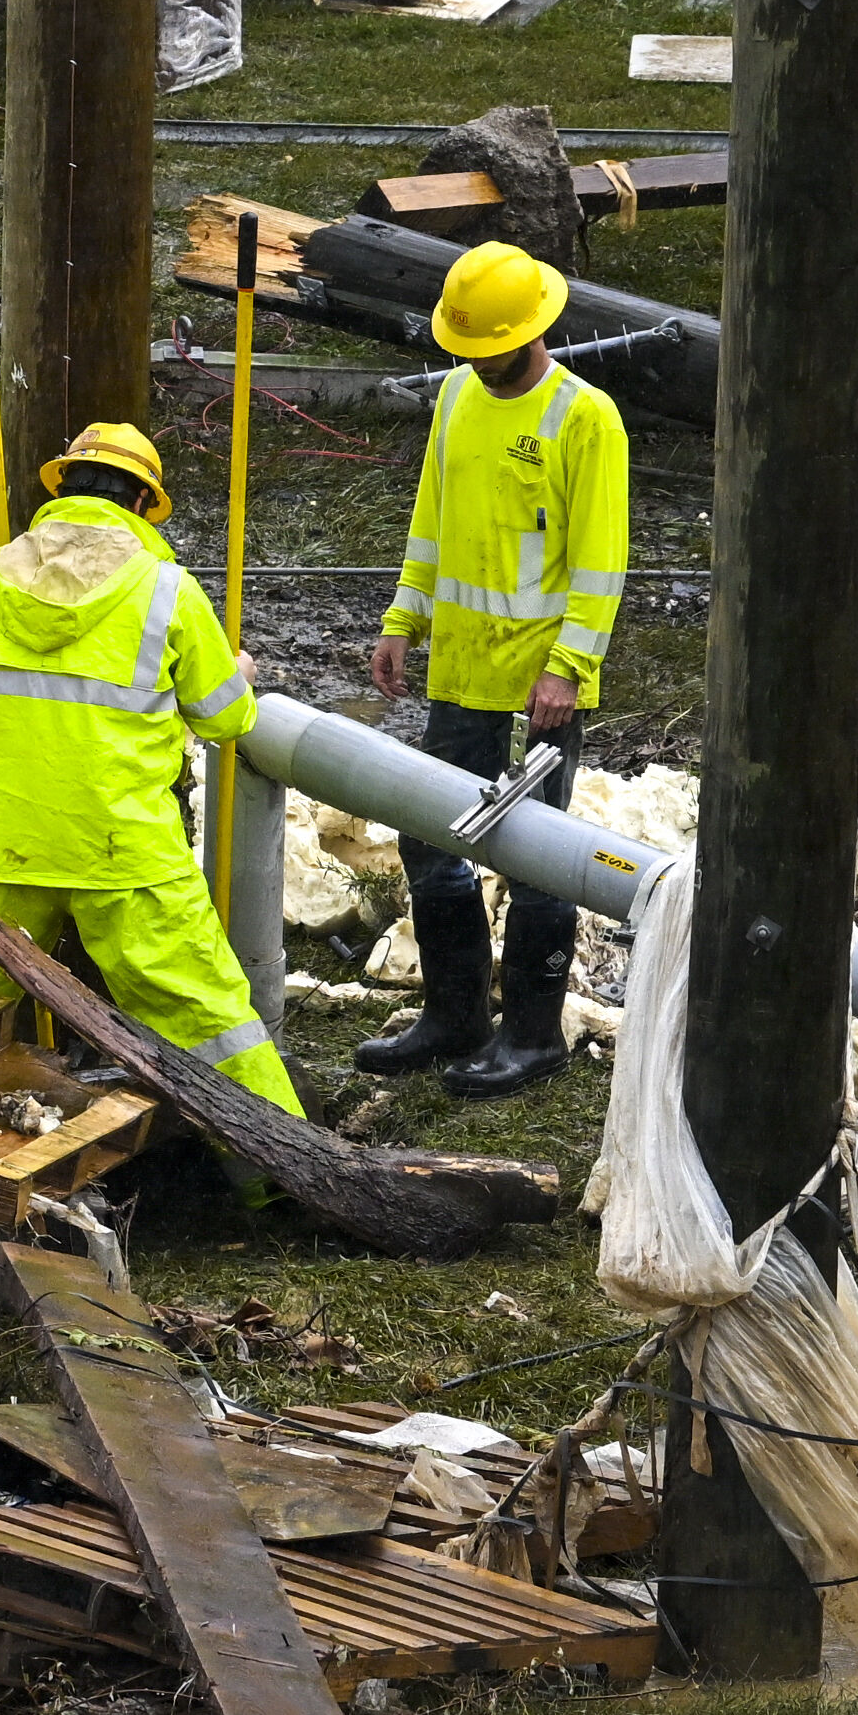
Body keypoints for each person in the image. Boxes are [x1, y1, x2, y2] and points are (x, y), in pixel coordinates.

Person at [0, 420, 300, 1109]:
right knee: (209, 1019)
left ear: (61, 491)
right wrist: (240, 673)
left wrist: (5, 771)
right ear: (142, 504)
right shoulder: (166, 590)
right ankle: (275, 1173)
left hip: (3, 842)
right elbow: (227, 718)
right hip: (124, 850)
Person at [359, 238, 630, 1097]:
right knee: (430, 835)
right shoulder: (457, 402)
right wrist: (404, 618)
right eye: (464, 353)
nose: (475, 366)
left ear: (531, 332)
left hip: (538, 687)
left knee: (537, 854)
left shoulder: (584, 419)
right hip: (461, 672)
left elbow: (601, 560)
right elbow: (431, 520)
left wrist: (568, 667)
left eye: (488, 351)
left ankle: (534, 1034)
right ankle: (456, 1015)